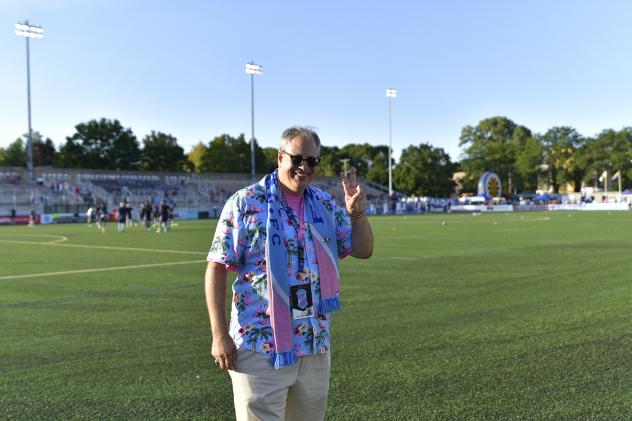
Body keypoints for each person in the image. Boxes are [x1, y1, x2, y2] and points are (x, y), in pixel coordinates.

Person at [205, 126, 373, 421]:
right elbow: (216, 267)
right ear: (280, 157)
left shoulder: (323, 203)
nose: (304, 167)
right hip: (260, 343)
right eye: (297, 159)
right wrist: (219, 335)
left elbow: (362, 249)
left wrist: (357, 214)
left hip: (313, 342)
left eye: (312, 161)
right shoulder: (245, 203)